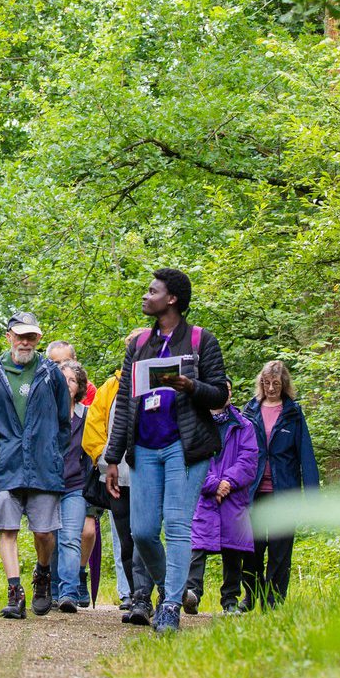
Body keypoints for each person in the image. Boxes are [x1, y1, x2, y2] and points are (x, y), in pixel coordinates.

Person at [103, 268, 231, 633]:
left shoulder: (200, 340)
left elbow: (220, 394)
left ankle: (171, 606)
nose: (145, 296)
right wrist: (112, 458)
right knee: (142, 532)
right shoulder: (138, 344)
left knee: (176, 526)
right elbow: (126, 403)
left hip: (185, 447)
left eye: (152, 291)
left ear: (171, 298)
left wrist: (191, 385)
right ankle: (171, 587)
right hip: (143, 448)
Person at [0, 312, 71, 619]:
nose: (25, 341)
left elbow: (63, 421)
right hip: (7, 464)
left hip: (44, 465)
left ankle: (42, 574)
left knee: (44, 533)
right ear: (9, 337)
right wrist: (4, 448)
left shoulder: (50, 373)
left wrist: (52, 452)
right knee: (7, 529)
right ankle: (14, 592)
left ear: (38, 339)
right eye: (20, 335)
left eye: (31, 336)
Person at [243, 360, 320, 609]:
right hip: (254, 490)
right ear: (261, 384)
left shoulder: (293, 413)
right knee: (252, 547)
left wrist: (312, 496)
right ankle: (252, 595)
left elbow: (305, 455)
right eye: (266, 383)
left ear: (284, 384)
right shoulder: (250, 410)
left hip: (283, 490)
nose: (271, 388)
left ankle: (273, 600)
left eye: (276, 383)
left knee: (280, 550)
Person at [183, 405, 259, 615]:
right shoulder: (197, 423)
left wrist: (227, 483)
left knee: (233, 549)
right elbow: (191, 457)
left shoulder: (244, 426)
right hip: (205, 496)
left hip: (233, 496)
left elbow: (249, 460)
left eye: (227, 390)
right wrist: (213, 484)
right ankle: (192, 593)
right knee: (198, 545)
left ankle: (230, 601)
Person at [82, 367, 135, 608]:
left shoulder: (162, 381)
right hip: (117, 477)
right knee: (124, 538)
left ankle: (162, 592)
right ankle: (133, 593)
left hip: (152, 476)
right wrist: (106, 461)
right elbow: (92, 431)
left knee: (148, 535)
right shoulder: (110, 388)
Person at [53, 361, 93, 612]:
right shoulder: (46, 414)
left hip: (76, 486)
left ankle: (68, 592)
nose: (67, 384)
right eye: (63, 379)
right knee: (50, 539)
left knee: (69, 538)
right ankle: (52, 588)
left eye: (72, 380)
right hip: (48, 486)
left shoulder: (86, 415)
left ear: (79, 387)